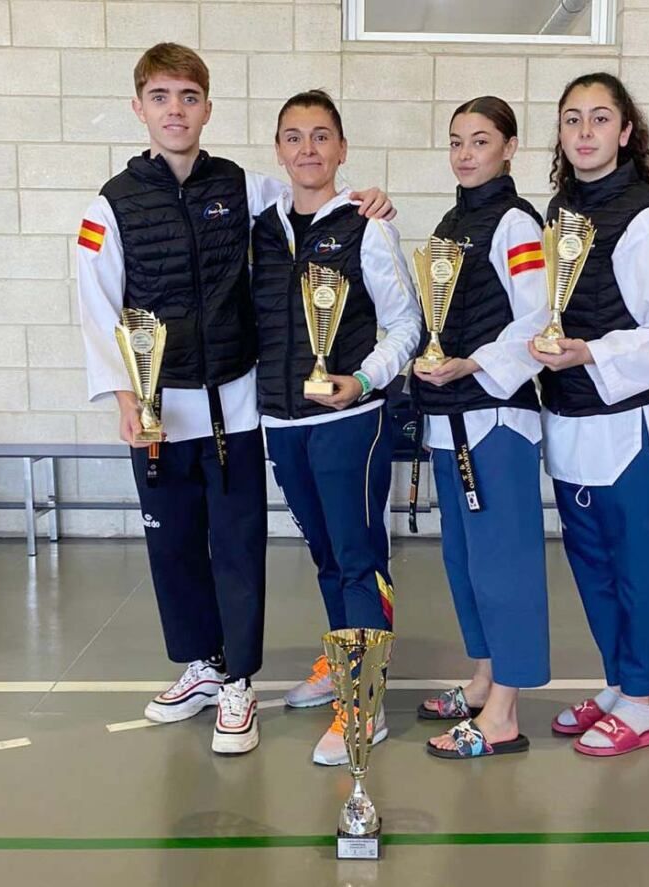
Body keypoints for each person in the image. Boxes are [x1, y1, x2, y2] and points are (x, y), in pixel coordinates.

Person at [77, 45, 393, 756]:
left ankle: (239, 684)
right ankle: (201, 663)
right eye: (160, 96)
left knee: (237, 545)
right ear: (140, 108)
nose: (175, 110)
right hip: (160, 408)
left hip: (238, 406)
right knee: (175, 547)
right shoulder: (111, 204)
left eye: (188, 96)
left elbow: (314, 196)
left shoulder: (243, 189)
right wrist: (123, 393)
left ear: (208, 108)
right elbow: (95, 303)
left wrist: (367, 198)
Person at [250, 90, 420, 766]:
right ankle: (341, 657)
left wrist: (366, 378)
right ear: (279, 150)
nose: (308, 149)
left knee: (357, 555)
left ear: (342, 150)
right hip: (281, 420)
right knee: (323, 552)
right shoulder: (261, 228)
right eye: (294, 137)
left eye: (322, 137)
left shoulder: (365, 225)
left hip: (351, 419)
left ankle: (365, 699)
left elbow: (407, 323)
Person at [529, 72, 649, 758]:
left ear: (626, 132)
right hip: (570, 423)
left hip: (628, 430)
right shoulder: (559, 213)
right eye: (573, 120)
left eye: (601, 119)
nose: (586, 132)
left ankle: (644, 700)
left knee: (640, 569)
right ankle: (620, 683)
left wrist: (590, 351)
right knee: (594, 568)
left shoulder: (647, 219)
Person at [411, 97, 552, 760]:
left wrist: (475, 363)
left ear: (509, 147)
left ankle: (503, 713)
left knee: (505, 563)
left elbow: (537, 318)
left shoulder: (517, 223)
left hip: (497, 415)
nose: (466, 153)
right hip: (451, 415)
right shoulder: (450, 222)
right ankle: (484, 678)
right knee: (466, 562)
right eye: (456, 141)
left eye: (481, 141)